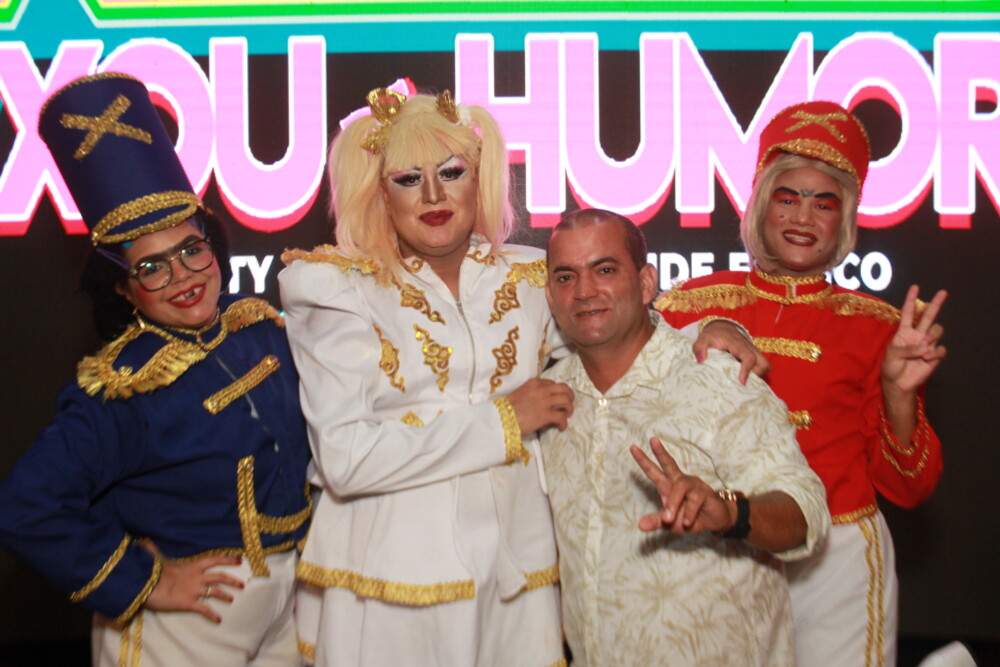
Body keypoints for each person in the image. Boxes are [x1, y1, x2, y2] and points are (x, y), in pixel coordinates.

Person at [279, 87, 760, 665]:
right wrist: (504, 421)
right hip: (388, 572)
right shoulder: (336, 287)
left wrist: (708, 327)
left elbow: (615, 329)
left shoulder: (532, 276)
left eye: (451, 172)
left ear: (477, 177)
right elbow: (346, 459)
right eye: (408, 179)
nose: (433, 195)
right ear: (380, 191)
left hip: (515, 572)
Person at [0, 73, 311, 666]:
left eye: (192, 250)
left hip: (284, 610)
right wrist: (144, 579)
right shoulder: (120, 388)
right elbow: (25, 508)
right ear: (122, 286)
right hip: (185, 628)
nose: (183, 277)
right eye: (152, 268)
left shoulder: (261, 329)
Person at [656, 100, 947, 666]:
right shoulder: (688, 306)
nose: (803, 218)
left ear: (845, 220)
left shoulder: (881, 330)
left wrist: (899, 392)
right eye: (788, 198)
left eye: (824, 203)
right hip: (720, 548)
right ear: (762, 204)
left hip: (837, 558)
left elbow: (910, 489)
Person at [540, 208, 830, 666]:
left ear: (646, 283)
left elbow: (805, 513)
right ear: (550, 297)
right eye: (565, 277)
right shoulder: (548, 400)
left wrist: (730, 512)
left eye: (605, 270)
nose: (584, 291)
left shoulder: (715, 378)